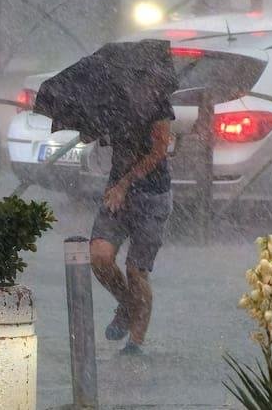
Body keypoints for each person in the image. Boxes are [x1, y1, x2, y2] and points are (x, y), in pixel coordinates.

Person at [89, 82, 175, 357]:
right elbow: (106, 140)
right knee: (99, 257)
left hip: (151, 195)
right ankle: (127, 305)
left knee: (136, 271)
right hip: (117, 193)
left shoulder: (158, 103)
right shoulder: (111, 101)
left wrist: (126, 183)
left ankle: (135, 343)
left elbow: (159, 151)